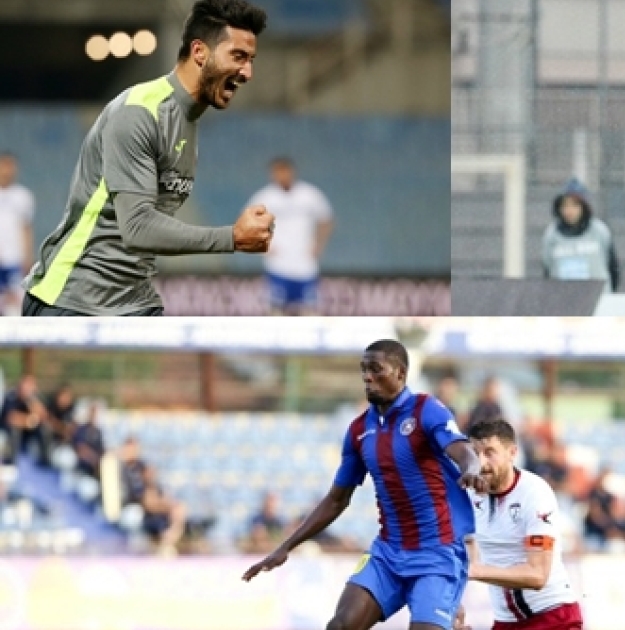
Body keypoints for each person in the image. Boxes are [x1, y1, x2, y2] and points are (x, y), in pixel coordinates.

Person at [21, 0, 275, 316]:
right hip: (73, 299)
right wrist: (232, 238)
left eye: (251, 60)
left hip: (132, 300)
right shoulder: (139, 112)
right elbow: (138, 227)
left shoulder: (186, 121)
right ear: (199, 52)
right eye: (238, 56)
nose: (248, 72)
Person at [242, 339, 488, 630]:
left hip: (438, 552)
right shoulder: (359, 430)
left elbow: (462, 450)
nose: (367, 377)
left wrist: (472, 468)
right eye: (364, 370)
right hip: (387, 552)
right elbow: (336, 499)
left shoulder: (426, 409)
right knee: (340, 625)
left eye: (376, 369)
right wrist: (286, 546)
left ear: (400, 373)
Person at [464, 417, 584, 630]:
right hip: (505, 623)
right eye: (475, 454)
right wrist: (453, 607)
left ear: (512, 453)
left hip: (553, 618)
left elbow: (538, 575)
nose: (481, 463)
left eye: (490, 453)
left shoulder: (535, 493)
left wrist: (474, 571)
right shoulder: (468, 494)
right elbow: (465, 551)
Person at [247, 156, 334, 315]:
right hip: (278, 264)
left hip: (305, 263)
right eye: (277, 172)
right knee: (275, 312)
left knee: (309, 312)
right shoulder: (265, 197)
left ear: (292, 172)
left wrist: (319, 245)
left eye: (284, 171)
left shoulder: (309, 195)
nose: (281, 175)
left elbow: (326, 219)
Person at [541, 178, 620, 292]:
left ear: (584, 207)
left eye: (575, 205)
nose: (569, 211)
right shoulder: (551, 236)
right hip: (563, 297)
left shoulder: (599, 231)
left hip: (597, 296)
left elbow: (613, 268)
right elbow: (547, 270)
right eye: (565, 206)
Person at [0, 153, 34, 316]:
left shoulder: (22, 196)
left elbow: (26, 228)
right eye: (4, 166)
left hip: (14, 259)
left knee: (16, 306)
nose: (8, 170)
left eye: (11, 166)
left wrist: (27, 257)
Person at [0, 374, 50, 466]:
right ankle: (11, 462)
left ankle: (45, 460)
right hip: (12, 431)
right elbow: (11, 418)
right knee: (14, 430)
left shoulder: (35, 398)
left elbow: (44, 417)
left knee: (45, 429)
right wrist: (30, 421)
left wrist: (32, 403)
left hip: (29, 431)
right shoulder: (11, 396)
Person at [71, 403, 104, 480]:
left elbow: (101, 450)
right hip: (82, 470)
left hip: (95, 469)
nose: (94, 415)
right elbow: (81, 449)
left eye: (95, 413)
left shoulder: (98, 431)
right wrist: (95, 460)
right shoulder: (81, 430)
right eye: (92, 412)